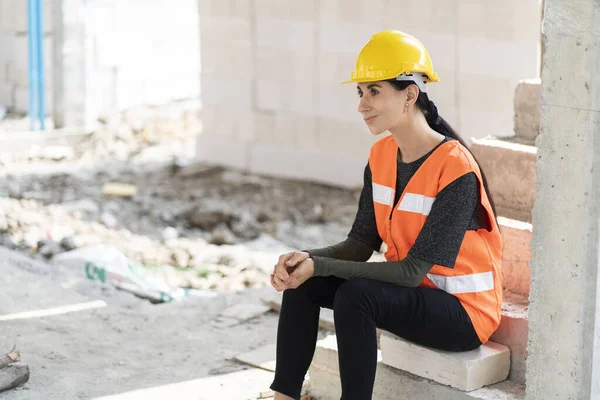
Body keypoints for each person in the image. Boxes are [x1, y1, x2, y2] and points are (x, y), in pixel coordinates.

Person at [268, 30, 503, 400]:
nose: (362, 104)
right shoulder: (381, 156)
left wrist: (323, 266)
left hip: (464, 314)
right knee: (304, 282)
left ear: (410, 94)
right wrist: (308, 260)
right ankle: (283, 396)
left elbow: (410, 273)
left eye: (374, 91)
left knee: (355, 295)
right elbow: (361, 243)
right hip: (409, 299)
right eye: (360, 93)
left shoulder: (456, 169)